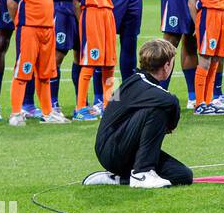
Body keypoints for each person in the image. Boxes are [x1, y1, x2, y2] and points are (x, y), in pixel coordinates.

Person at [83, 39, 194, 188]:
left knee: (183, 175)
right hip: (111, 150)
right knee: (158, 109)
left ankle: (117, 179)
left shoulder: (137, 81)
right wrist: (170, 124)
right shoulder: (141, 84)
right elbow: (172, 102)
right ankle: (143, 172)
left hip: (124, 149)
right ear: (167, 65)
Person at [7, 0, 65, 125]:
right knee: (23, 71)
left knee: (45, 73)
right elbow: (12, 1)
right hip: (29, 29)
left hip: (48, 29)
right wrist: (20, 22)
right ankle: (16, 113)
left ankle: (48, 113)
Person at [71, 0, 117, 119]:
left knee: (110, 64)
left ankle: (110, 105)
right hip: (91, 17)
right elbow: (76, 1)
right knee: (90, 63)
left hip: (108, 17)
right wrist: (84, 22)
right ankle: (80, 107)